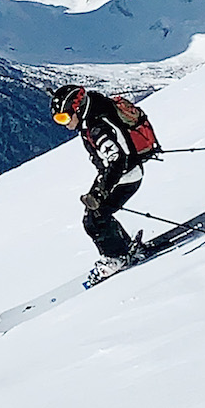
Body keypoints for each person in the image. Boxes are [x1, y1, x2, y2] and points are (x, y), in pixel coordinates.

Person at [50, 84, 146, 283]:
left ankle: (116, 258)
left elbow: (117, 159)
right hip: (120, 175)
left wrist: (102, 190)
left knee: (94, 219)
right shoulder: (93, 112)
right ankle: (124, 250)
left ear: (76, 110)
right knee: (96, 214)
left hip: (126, 177)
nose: (63, 124)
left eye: (64, 118)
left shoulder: (96, 128)